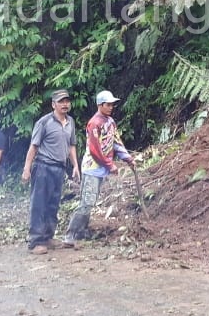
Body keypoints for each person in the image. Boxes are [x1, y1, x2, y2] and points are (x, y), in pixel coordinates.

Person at [63, 91, 135, 248]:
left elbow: (116, 142)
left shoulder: (110, 122)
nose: (111, 107)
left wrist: (127, 157)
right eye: (107, 104)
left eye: (111, 104)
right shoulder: (94, 123)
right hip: (92, 168)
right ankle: (71, 233)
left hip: (101, 168)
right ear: (99, 105)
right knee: (87, 201)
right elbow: (95, 151)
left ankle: (81, 231)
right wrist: (110, 165)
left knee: (91, 200)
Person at [22, 90, 79, 255]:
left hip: (59, 168)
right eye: (61, 101)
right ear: (53, 104)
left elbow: (71, 145)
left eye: (67, 101)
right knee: (39, 203)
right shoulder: (44, 122)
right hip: (43, 166)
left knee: (53, 204)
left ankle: (48, 237)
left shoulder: (70, 122)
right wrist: (27, 168)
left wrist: (75, 165)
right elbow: (34, 146)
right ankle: (35, 241)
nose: (65, 104)